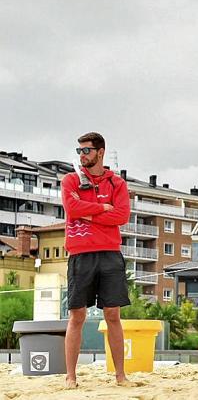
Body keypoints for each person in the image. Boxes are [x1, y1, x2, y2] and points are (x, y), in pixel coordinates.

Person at [62, 132, 132, 388]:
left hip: (110, 254)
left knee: (113, 314)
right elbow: (72, 209)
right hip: (80, 253)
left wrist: (88, 214)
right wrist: (102, 209)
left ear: (100, 152)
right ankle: (71, 376)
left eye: (86, 151)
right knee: (77, 315)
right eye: (79, 151)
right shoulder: (70, 180)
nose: (82, 155)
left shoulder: (117, 184)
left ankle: (120, 376)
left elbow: (122, 215)